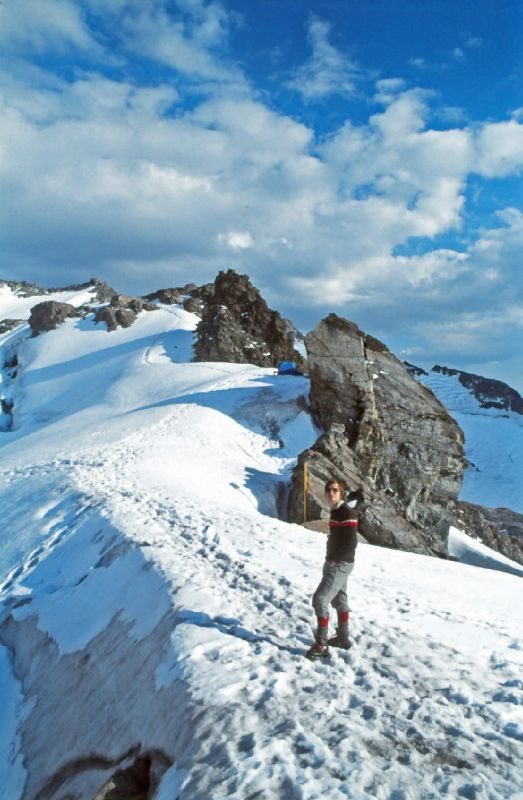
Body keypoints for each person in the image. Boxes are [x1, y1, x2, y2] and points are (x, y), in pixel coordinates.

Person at [306, 478, 358, 660]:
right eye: (328, 490)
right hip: (337, 562)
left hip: (340, 563)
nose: (331, 493)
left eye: (335, 490)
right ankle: (343, 638)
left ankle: (321, 644)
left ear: (341, 493)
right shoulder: (336, 511)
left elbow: (351, 543)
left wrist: (335, 560)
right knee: (339, 599)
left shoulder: (346, 512)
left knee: (320, 600)